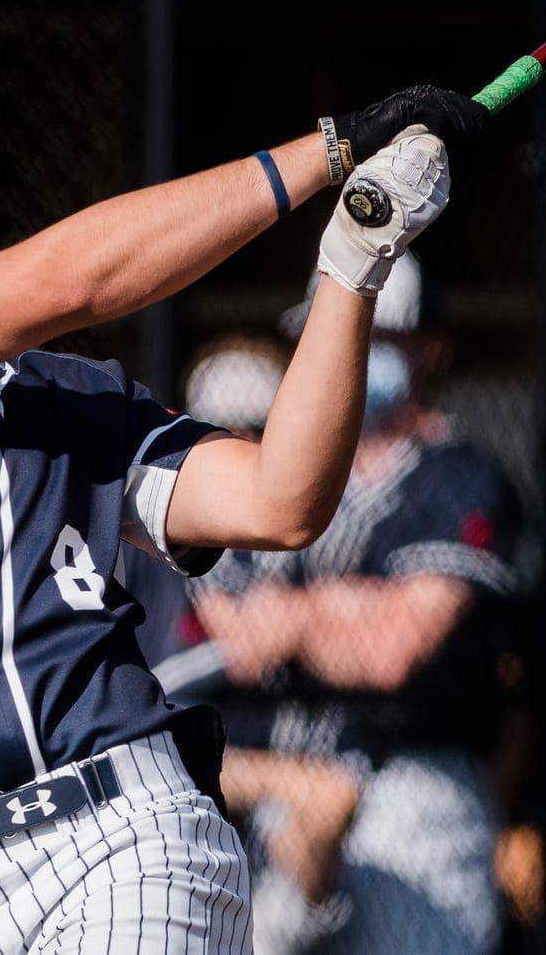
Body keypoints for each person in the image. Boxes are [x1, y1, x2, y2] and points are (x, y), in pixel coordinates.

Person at [0, 49, 486, 952]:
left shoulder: (61, 394)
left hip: (118, 841)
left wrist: (351, 267)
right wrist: (329, 152)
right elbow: (65, 282)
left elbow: (280, 501)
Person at [192, 253, 527, 954]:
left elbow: (389, 652)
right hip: (271, 794)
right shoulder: (273, 474)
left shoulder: (458, 478)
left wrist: (293, 614)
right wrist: (351, 606)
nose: (346, 347)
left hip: (406, 792)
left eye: (373, 334)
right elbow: (239, 638)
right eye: (330, 328)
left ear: (429, 350)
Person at [134, 336, 363, 954]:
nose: (238, 443)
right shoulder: (154, 558)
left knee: (330, 802)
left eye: (256, 427)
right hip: (175, 816)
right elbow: (152, 738)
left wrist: (295, 623)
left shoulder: (307, 546)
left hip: (290, 827)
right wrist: (286, 780)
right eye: (219, 430)